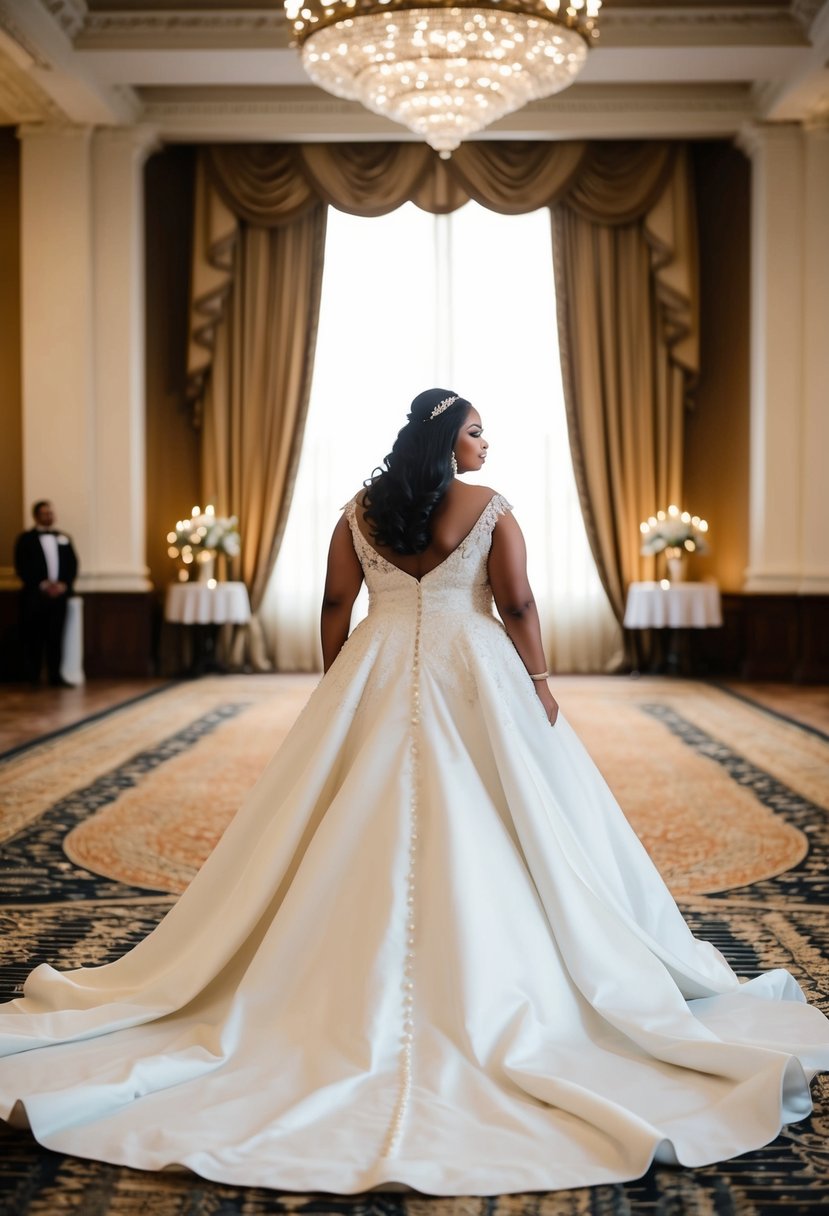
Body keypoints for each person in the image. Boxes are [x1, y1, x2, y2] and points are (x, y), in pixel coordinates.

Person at [0, 388, 827, 1195]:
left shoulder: (359, 511)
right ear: (445, 441)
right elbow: (518, 602)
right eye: (474, 431)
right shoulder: (490, 507)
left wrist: (340, 680)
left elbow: (335, 602)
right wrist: (537, 680)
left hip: (377, 660)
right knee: (519, 820)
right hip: (478, 668)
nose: (485, 445)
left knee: (346, 818)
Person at [13, 500, 79, 688]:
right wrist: (43, 584)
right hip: (35, 597)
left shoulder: (64, 538)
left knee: (56, 637)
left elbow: (72, 564)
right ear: (36, 516)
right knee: (34, 637)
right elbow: (22, 566)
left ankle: (55, 675)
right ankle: (32, 677)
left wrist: (63, 585)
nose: (49, 516)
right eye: (44, 513)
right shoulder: (25, 540)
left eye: (51, 513)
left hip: (59, 596)